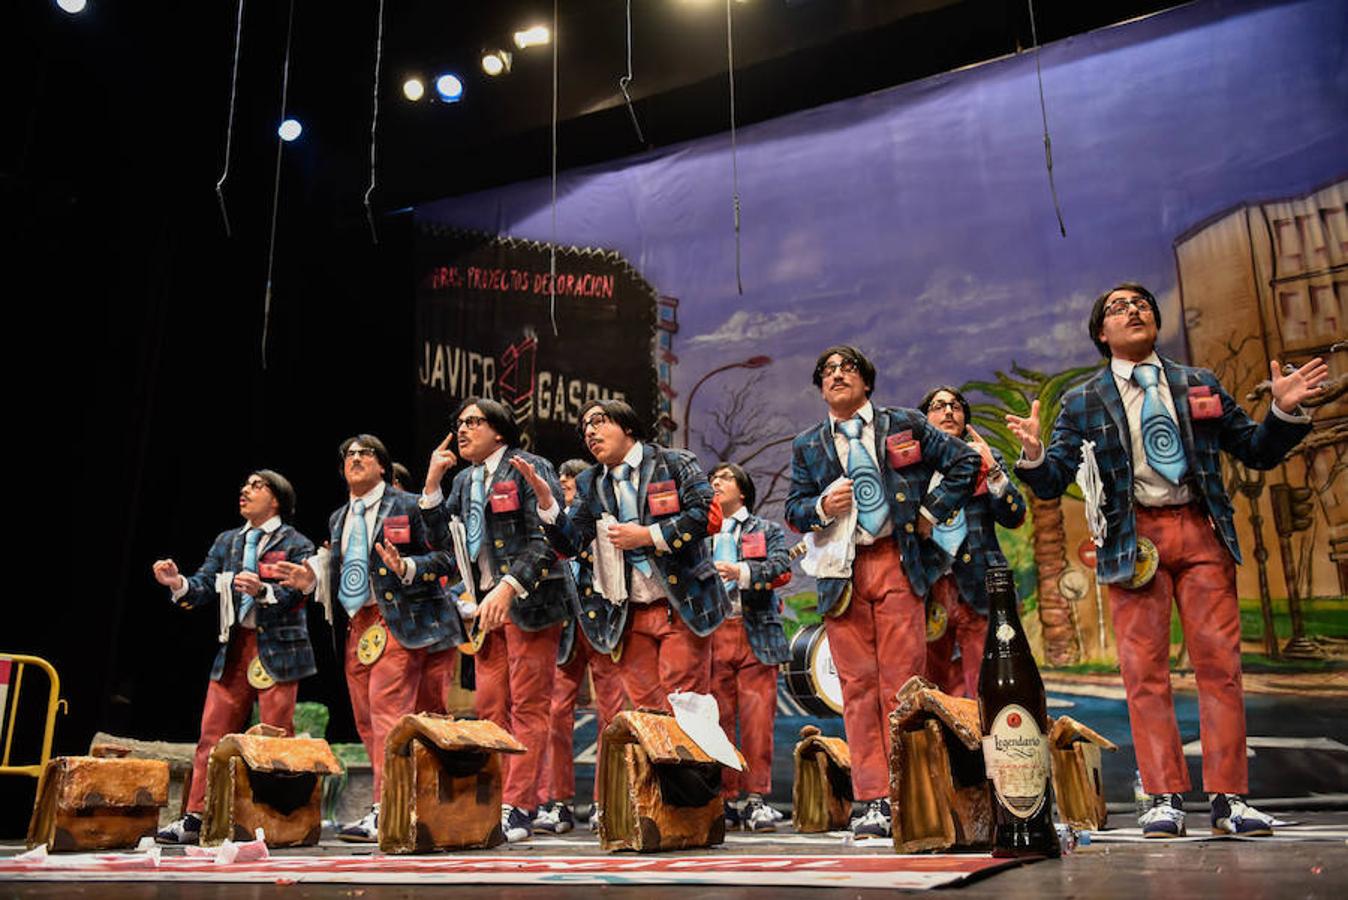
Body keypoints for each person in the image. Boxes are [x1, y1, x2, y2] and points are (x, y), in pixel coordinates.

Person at [1007, 282, 1328, 838]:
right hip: (1134, 541)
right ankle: (1163, 795)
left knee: (1220, 667)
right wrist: (1033, 454)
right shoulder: (1084, 400)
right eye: (1118, 307)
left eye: (1142, 304)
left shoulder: (1197, 383)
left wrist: (1282, 410)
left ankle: (1230, 798)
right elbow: (1053, 477)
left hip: (1201, 531)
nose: (1134, 310)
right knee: (1144, 672)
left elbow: (1254, 447)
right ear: (1101, 334)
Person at [786, 345, 981, 839]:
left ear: (866, 382)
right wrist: (821, 505)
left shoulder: (905, 423)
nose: (836, 375)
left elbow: (963, 462)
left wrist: (931, 512)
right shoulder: (809, 444)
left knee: (903, 685)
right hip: (840, 570)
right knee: (856, 689)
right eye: (826, 371)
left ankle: (908, 791)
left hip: (897, 559)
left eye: (846, 368)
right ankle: (873, 799)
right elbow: (794, 509)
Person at [275, 434, 460, 842]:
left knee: (388, 712)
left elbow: (446, 558)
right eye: (348, 455)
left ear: (382, 467)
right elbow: (341, 571)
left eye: (366, 453)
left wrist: (407, 565)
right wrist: (311, 580)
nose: (355, 458)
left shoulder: (409, 506)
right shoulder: (339, 517)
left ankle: (387, 806)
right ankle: (406, 802)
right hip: (358, 624)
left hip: (399, 620)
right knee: (366, 721)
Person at [419, 398, 573, 843]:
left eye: (474, 422)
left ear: (500, 431)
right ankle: (497, 800)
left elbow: (549, 540)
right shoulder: (465, 479)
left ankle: (520, 806)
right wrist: (432, 483)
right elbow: (440, 542)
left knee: (528, 705)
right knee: (489, 708)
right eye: (460, 423)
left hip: (529, 602)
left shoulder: (528, 466)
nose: (463, 430)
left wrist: (509, 586)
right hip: (486, 608)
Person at [528, 399, 728, 711]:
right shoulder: (589, 482)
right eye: (585, 429)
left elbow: (705, 514)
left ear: (628, 426)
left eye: (598, 421)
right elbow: (575, 544)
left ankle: (694, 760)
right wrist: (548, 507)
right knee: (647, 713)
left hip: (681, 603)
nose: (590, 432)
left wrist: (648, 536)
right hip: (628, 612)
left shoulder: (675, 462)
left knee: (685, 709)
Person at [151, 470, 315, 844]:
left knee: (275, 738)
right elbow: (205, 584)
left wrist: (262, 591)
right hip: (235, 647)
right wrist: (178, 583)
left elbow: (297, 594)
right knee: (213, 734)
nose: (245, 490)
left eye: (256, 486)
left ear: (276, 499)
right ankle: (196, 816)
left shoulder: (296, 543)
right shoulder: (228, 541)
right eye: (244, 484)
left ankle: (274, 818)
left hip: (278, 649)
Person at [535, 458, 628, 835]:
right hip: (563, 627)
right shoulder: (549, 523)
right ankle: (558, 802)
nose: (566, 487)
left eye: (572, 483)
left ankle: (606, 801)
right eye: (562, 482)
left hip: (602, 621)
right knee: (555, 713)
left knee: (612, 713)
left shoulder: (598, 516)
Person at [916, 386, 1027, 697]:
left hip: (981, 587)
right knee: (933, 689)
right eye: (938, 406)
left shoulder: (985, 458)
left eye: (956, 405)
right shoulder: (912, 470)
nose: (948, 411)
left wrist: (994, 474)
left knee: (989, 686)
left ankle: (987, 746)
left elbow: (1014, 517)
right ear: (924, 420)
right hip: (930, 589)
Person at [707, 462, 791, 833]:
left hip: (755, 630)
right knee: (717, 722)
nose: (715, 483)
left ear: (742, 490)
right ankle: (724, 800)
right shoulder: (699, 535)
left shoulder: (766, 530)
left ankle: (756, 799)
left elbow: (780, 568)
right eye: (713, 479)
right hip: (711, 635)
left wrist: (741, 572)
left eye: (724, 478)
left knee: (758, 722)